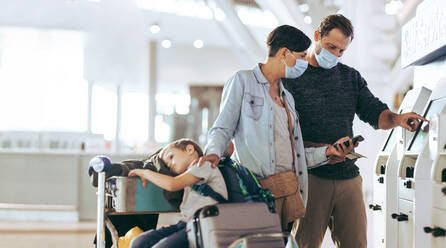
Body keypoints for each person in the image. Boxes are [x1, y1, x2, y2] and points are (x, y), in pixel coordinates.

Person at [282, 14, 427, 248]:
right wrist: (323, 150)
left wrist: (398, 118)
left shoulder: (350, 77)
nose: (336, 55)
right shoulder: (292, 78)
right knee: (303, 245)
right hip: (310, 179)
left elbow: (375, 113)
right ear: (317, 36)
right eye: (331, 47)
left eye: (342, 51)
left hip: (347, 176)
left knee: (357, 244)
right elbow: (284, 134)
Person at [195, 24, 356, 231]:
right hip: (255, 192)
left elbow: (294, 153)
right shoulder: (243, 81)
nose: (304, 62)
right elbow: (222, 128)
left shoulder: (287, 97)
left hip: (287, 193)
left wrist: (327, 153)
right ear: (284, 53)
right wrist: (212, 154)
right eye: (301, 56)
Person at [128, 138, 228, 248]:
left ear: (189, 149)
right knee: (138, 243)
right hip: (185, 223)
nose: (170, 165)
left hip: (204, 224)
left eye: (171, 157)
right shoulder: (188, 175)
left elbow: (172, 184)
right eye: (167, 165)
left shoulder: (203, 165)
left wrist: (146, 173)